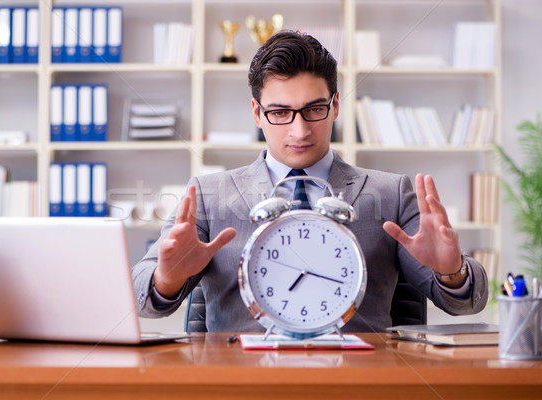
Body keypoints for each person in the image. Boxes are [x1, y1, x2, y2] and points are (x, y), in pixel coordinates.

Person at [133, 30, 488, 332]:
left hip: (358, 380)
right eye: (280, 112)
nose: (299, 130)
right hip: (241, 378)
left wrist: (452, 271)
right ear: (257, 113)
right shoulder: (210, 195)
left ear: (335, 106)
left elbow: (466, 305)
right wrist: (167, 278)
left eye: (314, 110)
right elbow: (143, 297)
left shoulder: (390, 194)